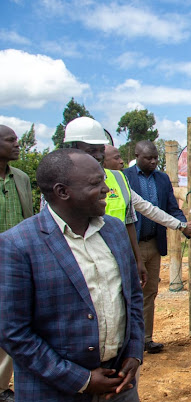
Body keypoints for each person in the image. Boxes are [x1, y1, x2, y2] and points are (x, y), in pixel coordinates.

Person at [0, 149, 145, 402]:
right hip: (55, 393)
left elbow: (132, 297)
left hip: (118, 384)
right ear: (62, 192)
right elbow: (13, 332)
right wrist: (80, 380)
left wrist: (133, 353)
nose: (106, 189)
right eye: (95, 184)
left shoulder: (115, 230)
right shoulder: (17, 245)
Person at [124, 140, 191, 354]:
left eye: (156, 158)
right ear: (137, 156)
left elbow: (170, 208)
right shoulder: (125, 178)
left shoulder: (162, 179)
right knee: (129, 293)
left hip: (153, 244)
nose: (153, 161)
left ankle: (145, 339)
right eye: (148, 158)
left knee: (149, 292)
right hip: (131, 246)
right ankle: (127, 343)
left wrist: (184, 226)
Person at [60, 117, 147, 286]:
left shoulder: (116, 179)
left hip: (115, 254)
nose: (98, 156)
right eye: (91, 150)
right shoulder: (59, 182)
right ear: (73, 147)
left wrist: (137, 259)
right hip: (76, 261)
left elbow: (129, 221)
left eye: (101, 150)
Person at [0, 124, 34, 402]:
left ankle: (1, 385)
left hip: (15, 262)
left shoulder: (21, 178)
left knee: (15, 320)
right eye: (11, 140)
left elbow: (29, 217)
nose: (17, 143)